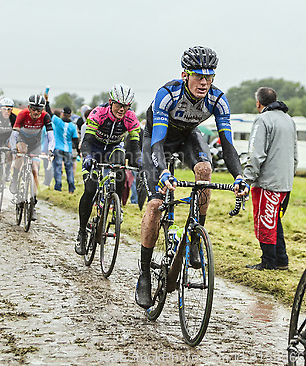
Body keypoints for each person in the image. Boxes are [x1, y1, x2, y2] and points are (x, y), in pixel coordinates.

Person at [135, 46, 249, 309]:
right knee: (154, 205)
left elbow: (228, 145)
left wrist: (239, 176)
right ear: (185, 74)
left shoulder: (218, 99)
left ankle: (195, 237)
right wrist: (163, 171)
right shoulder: (168, 94)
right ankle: (144, 275)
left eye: (209, 76)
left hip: (188, 137)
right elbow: (158, 143)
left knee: (205, 171)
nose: (204, 82)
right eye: (198, 76)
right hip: (157, 141)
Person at [75, 84, 141, 255]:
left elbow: (134, 145)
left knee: (120, 169)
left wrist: (139, 161)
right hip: (94, 149)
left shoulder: (131, 118)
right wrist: (88, 157)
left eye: (126, 105)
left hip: (113, 148)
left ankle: (114, 205)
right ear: (111, 102)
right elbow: (87, 140)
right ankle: (82, 232)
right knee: (90, 188)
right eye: (119, 104)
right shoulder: (98, 113)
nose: (122, 109)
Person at [243, 87, 297, 271]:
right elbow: (295, 155)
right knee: (275, 220)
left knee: (265, 222)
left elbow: (255, 154)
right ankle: (282, 260)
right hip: (285, 183)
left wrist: (246, 179)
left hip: (267, 183)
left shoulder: (262, 120)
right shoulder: (289, 120)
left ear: (258, 103)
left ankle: (269, 262)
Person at [9, 94, 54, 220]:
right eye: (33, 109)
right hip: (22, 139)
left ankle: (33, 203)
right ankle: (15, 178)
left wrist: (51, 150)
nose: (36, 112)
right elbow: (14, 135)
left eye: (39, 110)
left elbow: (51, 136)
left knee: (35, 169)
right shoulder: (22, 114)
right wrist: (14, 148)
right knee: (21, 152)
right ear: (29, 107)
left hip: (35, 142)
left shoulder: (46, 116)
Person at [52, 106, 79, 193]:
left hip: (58, 148)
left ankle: (58, 187)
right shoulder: (73, 126)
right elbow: (75, 140)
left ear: (63, 113)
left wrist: (47, 101)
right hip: (68, 150)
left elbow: (48, 112)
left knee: (58, 169)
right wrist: (79, 152)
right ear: (70, 115)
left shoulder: (58, 121)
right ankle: (71, 188)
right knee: (69, 170)